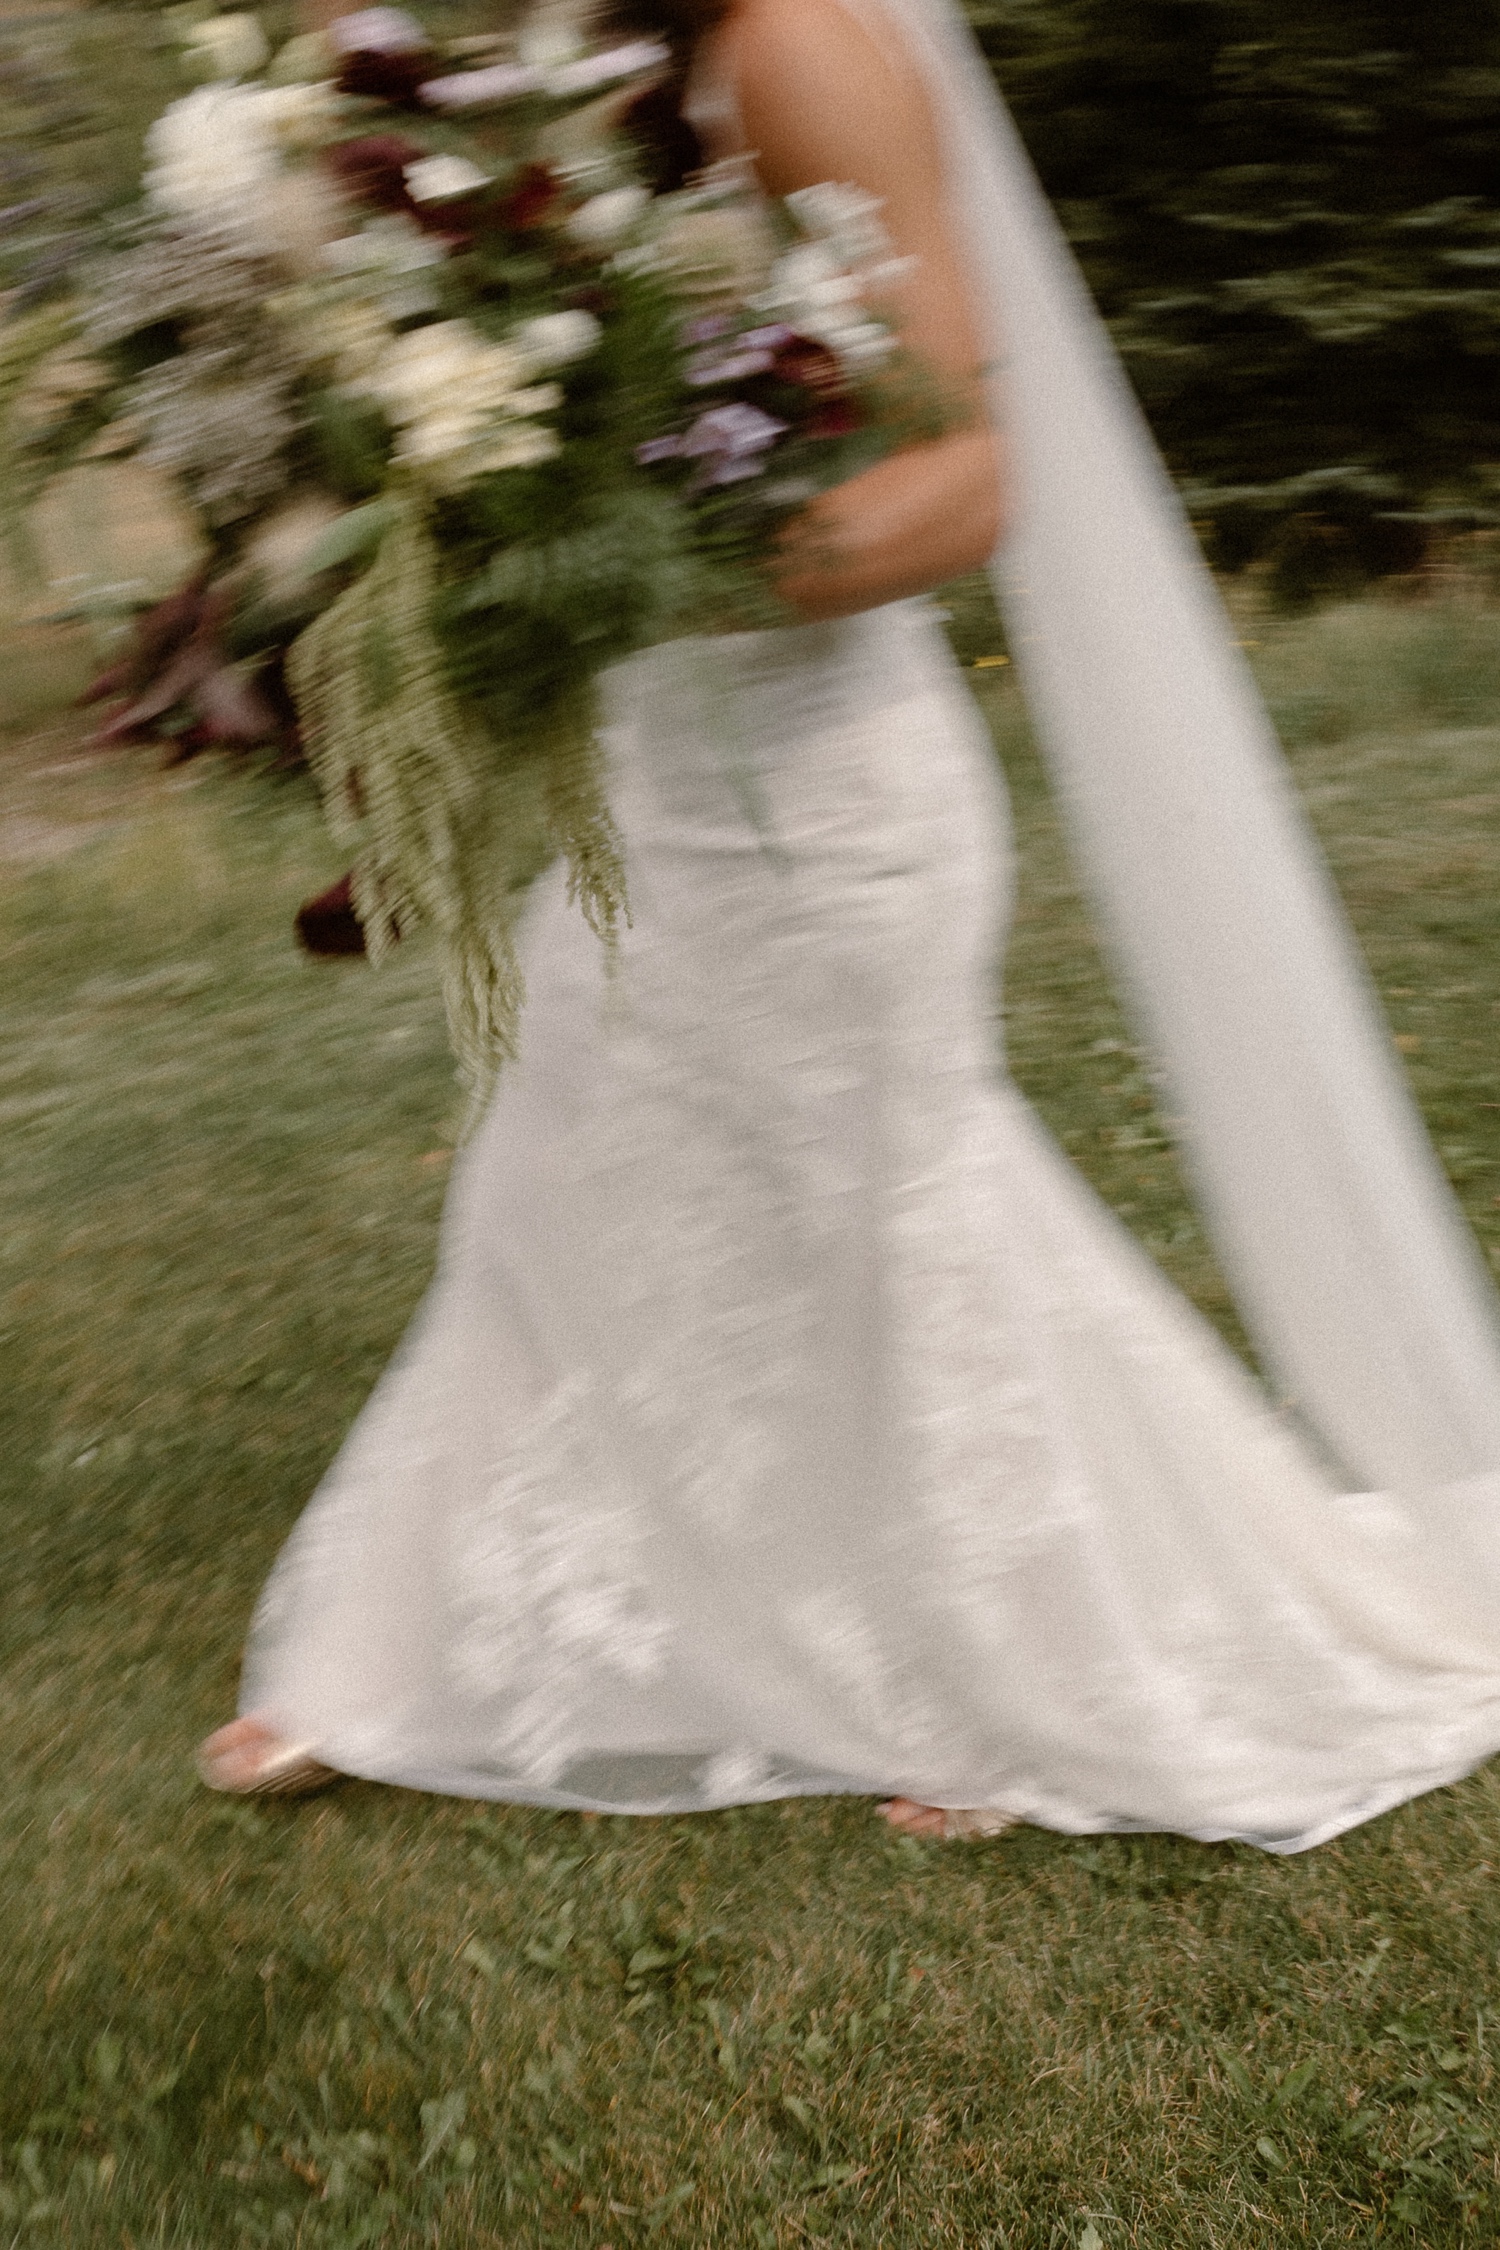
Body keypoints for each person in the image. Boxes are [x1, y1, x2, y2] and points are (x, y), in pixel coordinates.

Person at [201, 0, 1500, 1852]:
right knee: (558, 1170)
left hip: (816, 801)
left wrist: (613, 561)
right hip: (666, 776)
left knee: (886, 1223)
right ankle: (391, 1653)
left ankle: (1025, 1678)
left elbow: (967, 480)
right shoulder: (586, 73)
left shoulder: (804, 46)